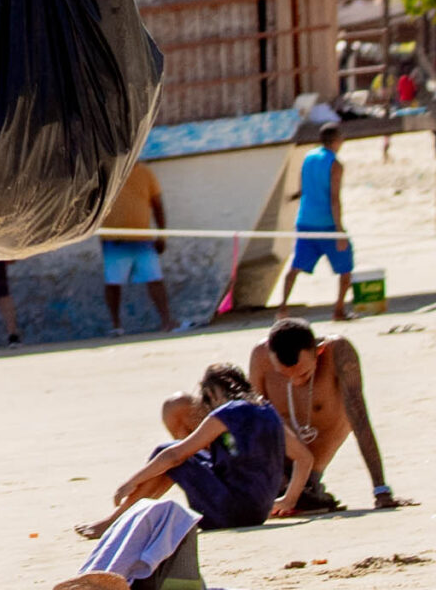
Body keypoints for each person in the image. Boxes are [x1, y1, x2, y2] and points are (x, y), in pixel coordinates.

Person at [73, 363, 311, 539]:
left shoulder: (226, 412)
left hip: (229, 512)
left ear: (213, 393)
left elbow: (176, 455)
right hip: (257, 513)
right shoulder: (267, 411)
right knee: (179, 460)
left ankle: (116, 521)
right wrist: (287, 500)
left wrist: (131, 482)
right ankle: (121, 519)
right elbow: (304, 458)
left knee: (167, 452)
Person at [249, 317, 401, 511]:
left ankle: (307, 490)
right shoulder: (260, 355)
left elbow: (360, 420)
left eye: (303, 374)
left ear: (318, 351)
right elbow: (253, 421)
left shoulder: (338, 352)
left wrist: (381, 490)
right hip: (274, 469)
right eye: (284, 375)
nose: (295, 382)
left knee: (354, 408)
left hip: (310, 471)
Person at [278, 121, 355, 322]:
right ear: (337, 140)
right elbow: (334, 198)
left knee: (295, 267)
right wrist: (339, 230)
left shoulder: (309, 157)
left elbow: (302, 187)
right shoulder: (335, 164)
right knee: (345, 268)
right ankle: (338, 310)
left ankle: (282, 308)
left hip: (305, 220)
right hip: (326, 223)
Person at [97, 158, 178, 335]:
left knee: (155, 279)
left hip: (143, 239)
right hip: (114, 240)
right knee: (113, 282)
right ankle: (116, 325)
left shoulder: (145, 173)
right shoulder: (106, 174)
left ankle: (166, 321)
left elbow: (157, 205)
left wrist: (162, 235)